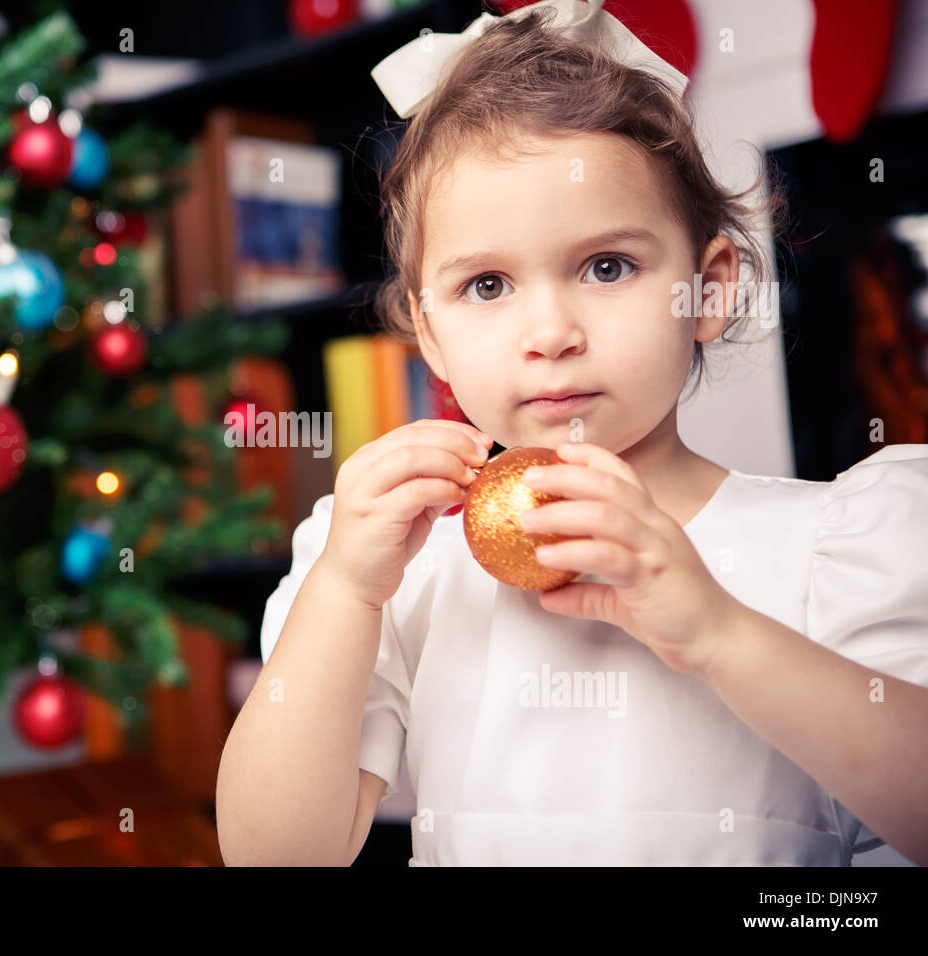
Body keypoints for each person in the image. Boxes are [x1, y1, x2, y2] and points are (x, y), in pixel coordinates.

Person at [215, 0, 928, 866]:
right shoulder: (401, 568)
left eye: (606, 266)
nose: (550, 331)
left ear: (706, 290)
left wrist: (716, 631)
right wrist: (344, 593)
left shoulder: (832, 546)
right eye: (486, 285)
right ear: (427, 332)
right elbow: (274, 854)